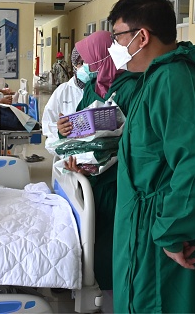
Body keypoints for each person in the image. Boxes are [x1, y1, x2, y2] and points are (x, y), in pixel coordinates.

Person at [107, 0, 195, 313]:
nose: (115, 47)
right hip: (144, 229)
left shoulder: (177, 81)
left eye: (118, 36)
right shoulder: (154, 79)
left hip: (166, 236)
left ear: (142, 36)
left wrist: (173, 232)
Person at [57, 31, 141, 312]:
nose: (85, 66)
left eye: (89, 60)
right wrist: (65, 133)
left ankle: (116, 300)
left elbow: (137, 137)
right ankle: (95, 291)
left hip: (116, 180)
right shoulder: (93, 87)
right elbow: (76, 127)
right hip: (89, 178)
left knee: (111, 246)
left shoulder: (131, 87)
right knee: (91, 239)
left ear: (101, 56)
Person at [41, 48, 85, 155]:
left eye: (88, 62)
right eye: (80, 63)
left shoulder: (104, 89)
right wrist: (60, 129)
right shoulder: (63, 91)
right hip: (69, 154)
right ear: (75, 64)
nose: (85, 67)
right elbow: (47, 123)